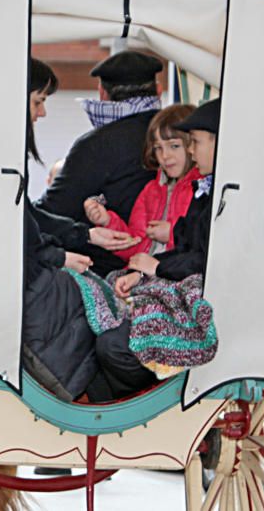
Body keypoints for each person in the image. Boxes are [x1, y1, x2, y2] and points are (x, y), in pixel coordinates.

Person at [21, 58, 139, 402]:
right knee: (84, 294)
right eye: (37, 101)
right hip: (30, 283)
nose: (41, 113)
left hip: (31, 272)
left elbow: (29, 218)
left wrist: (86, 235)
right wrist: (60, 257)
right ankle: (86, 397)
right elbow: (21, 226)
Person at [97, 98, 222, 398]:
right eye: (159, 148)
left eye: (193, 143)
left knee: (113, 346)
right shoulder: (195, 191)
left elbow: (203, 257)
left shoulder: (207, 192)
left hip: (185, 289)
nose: (190, 151)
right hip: (165, 277)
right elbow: (142, 240)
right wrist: (139, 270)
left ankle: (153, 400)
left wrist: (155, 266)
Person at [37, 50, 163, 274]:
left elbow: (53, 211)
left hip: (104, 271)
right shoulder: (178, 135)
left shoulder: (96, 145)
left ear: (102, 93)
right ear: (159, 90)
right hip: (166, 265)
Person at [83, 104, 201, 260]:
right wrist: (108, 221)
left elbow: (205, 244)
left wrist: (173, 235)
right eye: (158, 148)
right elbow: (134, 244)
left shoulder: (202, 189)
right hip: (141, 272)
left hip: (175, 275)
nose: (165, 155)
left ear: (193, 145)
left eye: (174, 146)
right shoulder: (151, 191)